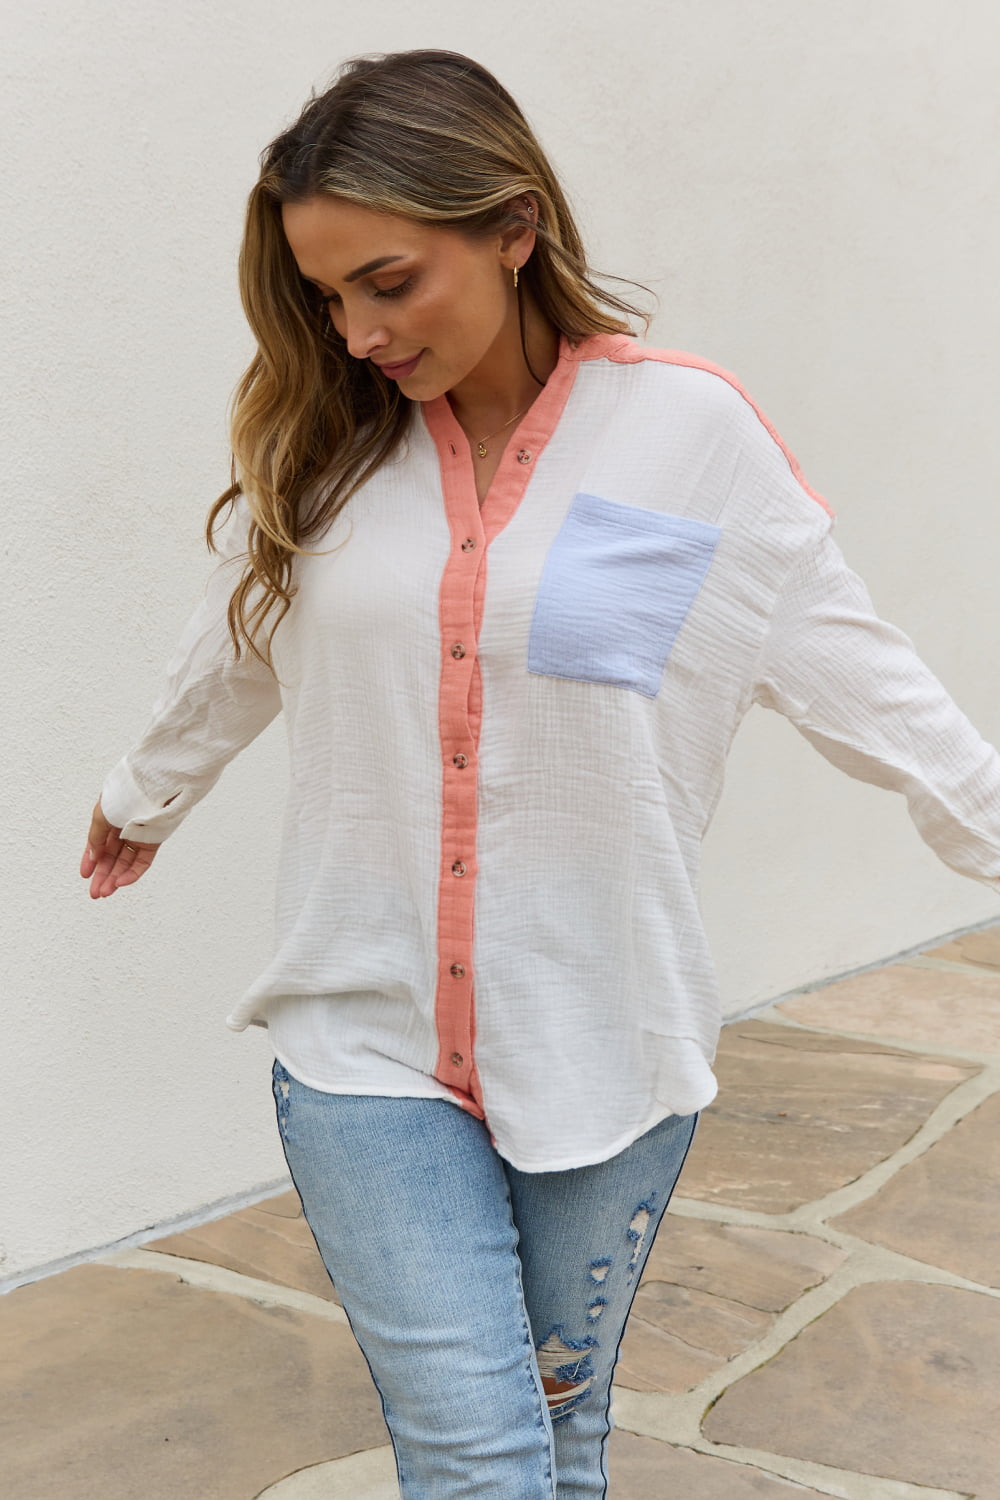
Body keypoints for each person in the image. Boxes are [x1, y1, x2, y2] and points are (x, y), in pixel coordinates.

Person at [81, 48, 1000, 1500]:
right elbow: (237, 644)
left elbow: (858, 668)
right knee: (481, 1458)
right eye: (326, 297)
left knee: (562, 1440)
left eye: (389, 282)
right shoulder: (327, 454)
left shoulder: (687, 437)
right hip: (364, 1031)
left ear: (513, 226)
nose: (358, 332)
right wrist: (144, 792)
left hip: (605, 1036)